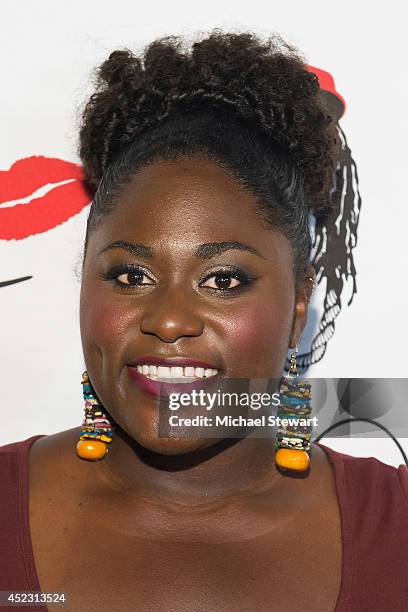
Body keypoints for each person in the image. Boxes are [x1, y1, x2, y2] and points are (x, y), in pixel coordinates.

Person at [1, 29, 407, 612]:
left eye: (222, 280)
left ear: (298, 309)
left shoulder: (396, 527)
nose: (168, 322)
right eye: (129, 276)